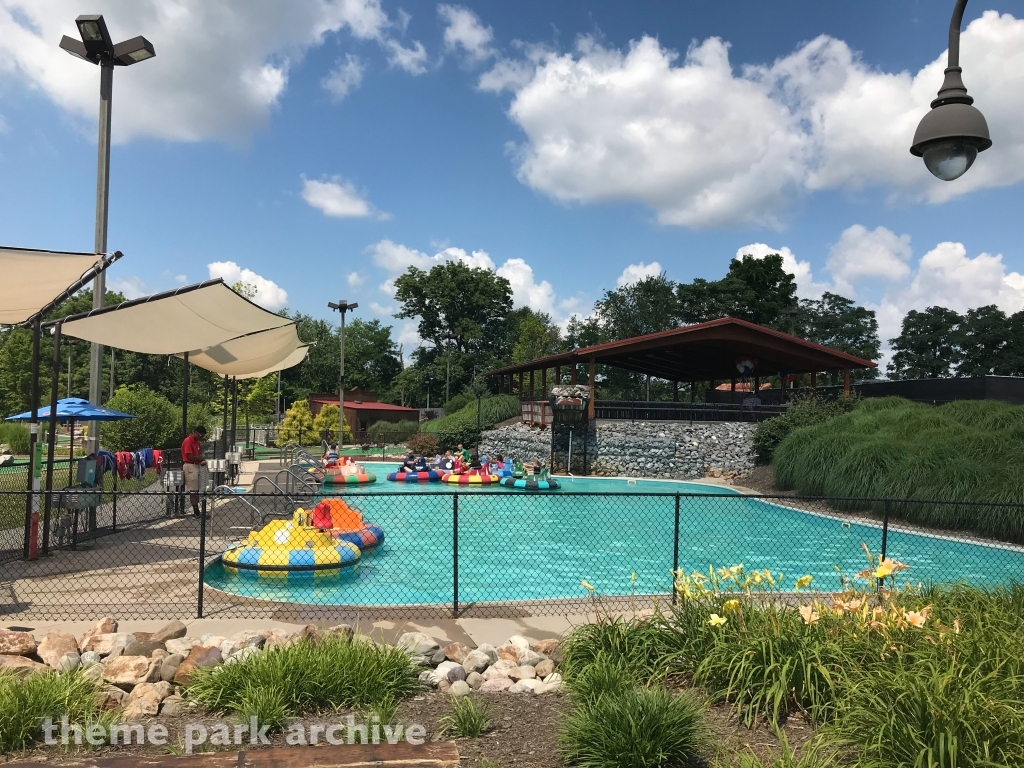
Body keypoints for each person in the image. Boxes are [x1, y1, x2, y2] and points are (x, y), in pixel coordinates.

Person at [181, 425, 207, 518]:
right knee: (193, 489)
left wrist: (201, 461)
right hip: (190, 465)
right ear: (196, 433)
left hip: (196, 466)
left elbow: (197, 455)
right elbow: (190, 456)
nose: (201, 438)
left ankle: (197, 511)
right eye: (201, 435)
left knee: (196, 489)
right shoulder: (188, 441)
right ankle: (196, 512)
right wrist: (201, 458)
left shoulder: (197, 442)